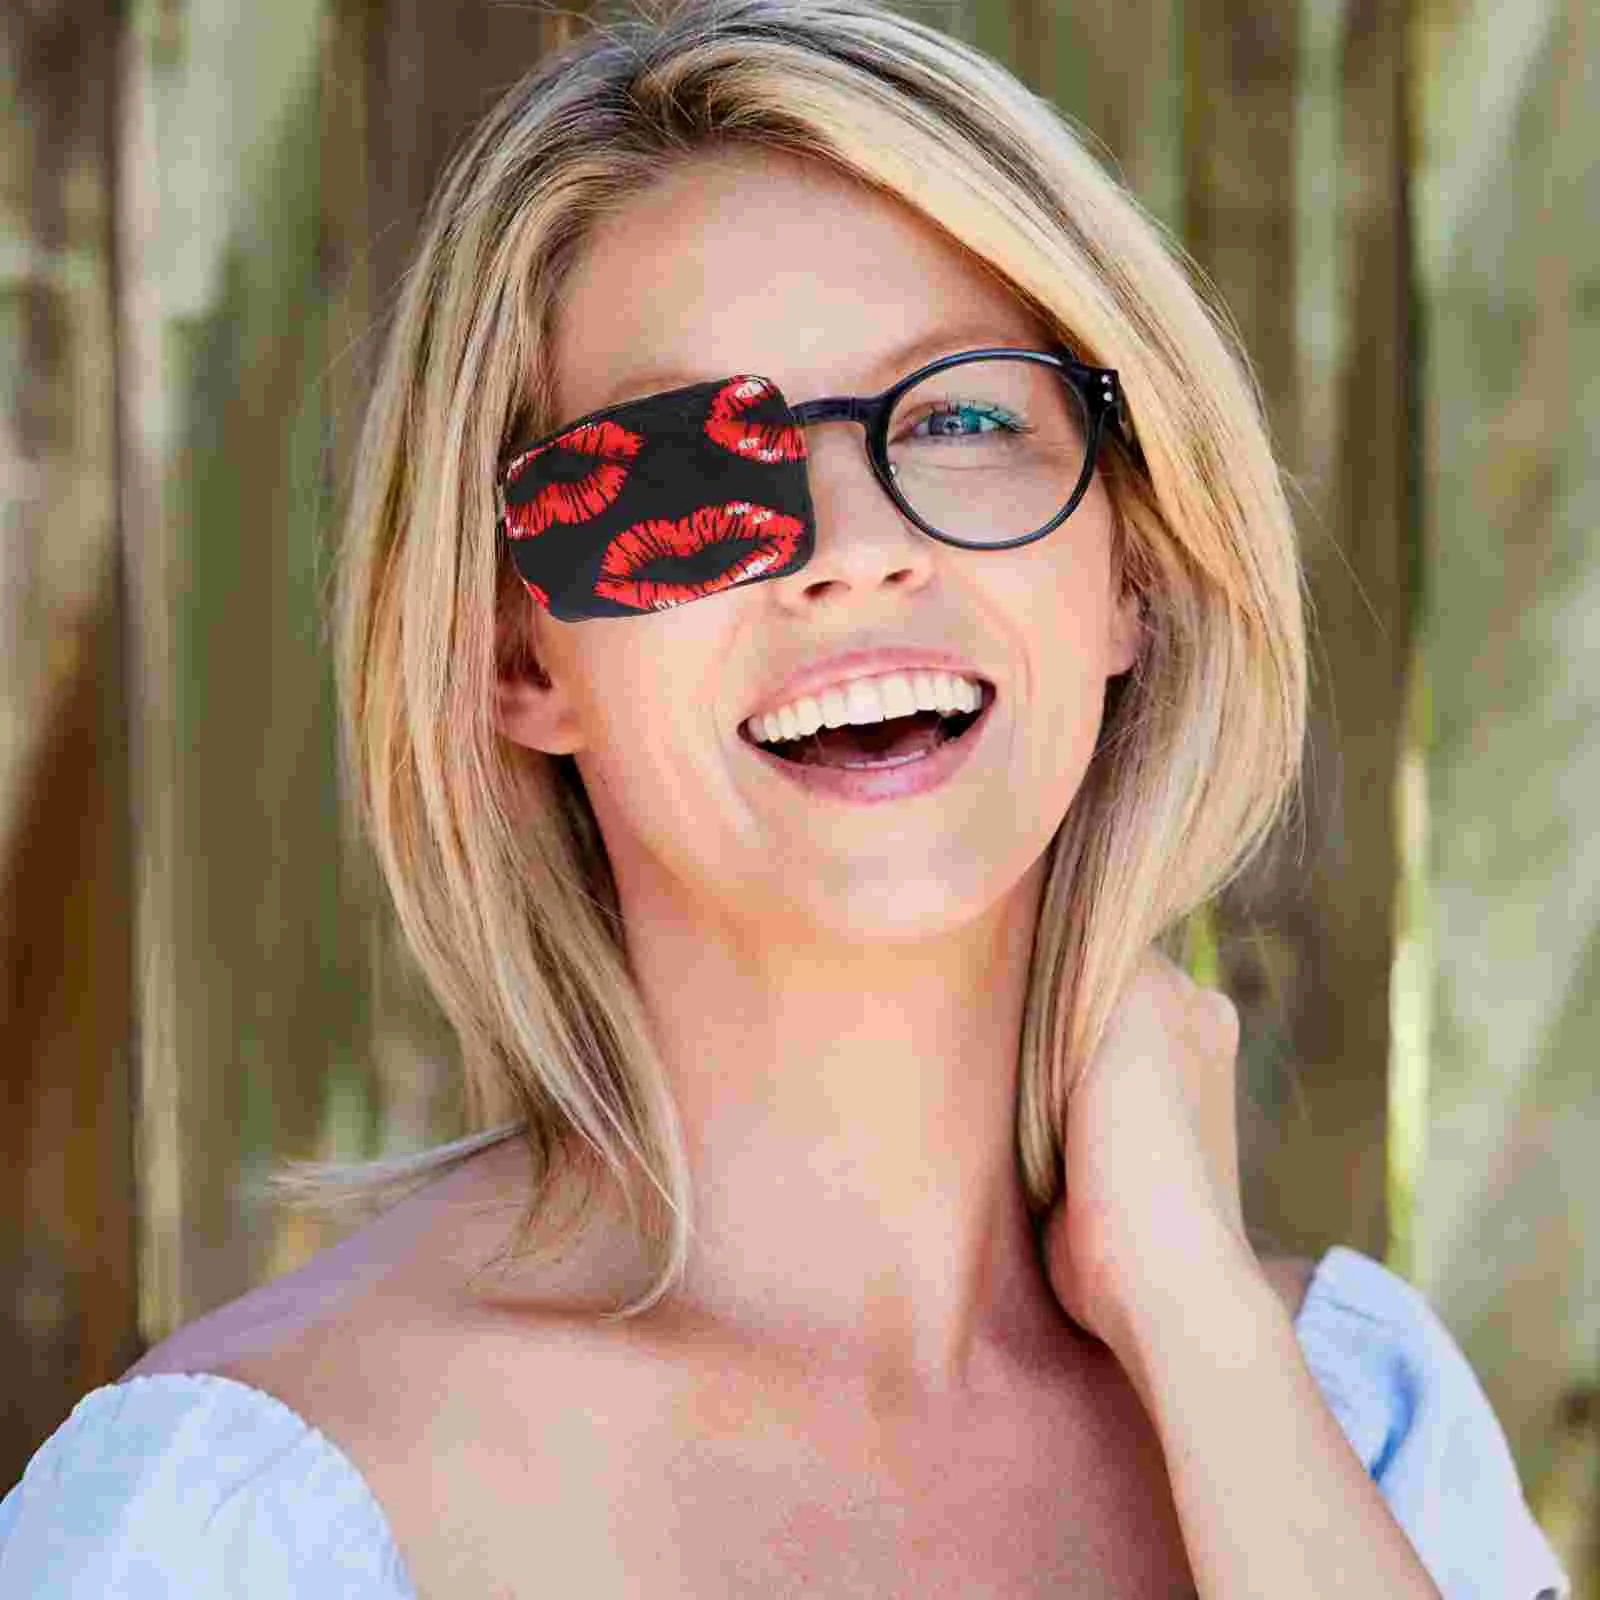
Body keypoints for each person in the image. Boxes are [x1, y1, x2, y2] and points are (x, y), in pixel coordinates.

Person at [0, 0, 1571, 1595]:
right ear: (517, 654)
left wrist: (1201, 1325)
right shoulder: (237, 1518)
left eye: (960, 418)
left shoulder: (1357, 1411)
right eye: (687, 468)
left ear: (1130, 573)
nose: (851, 548)